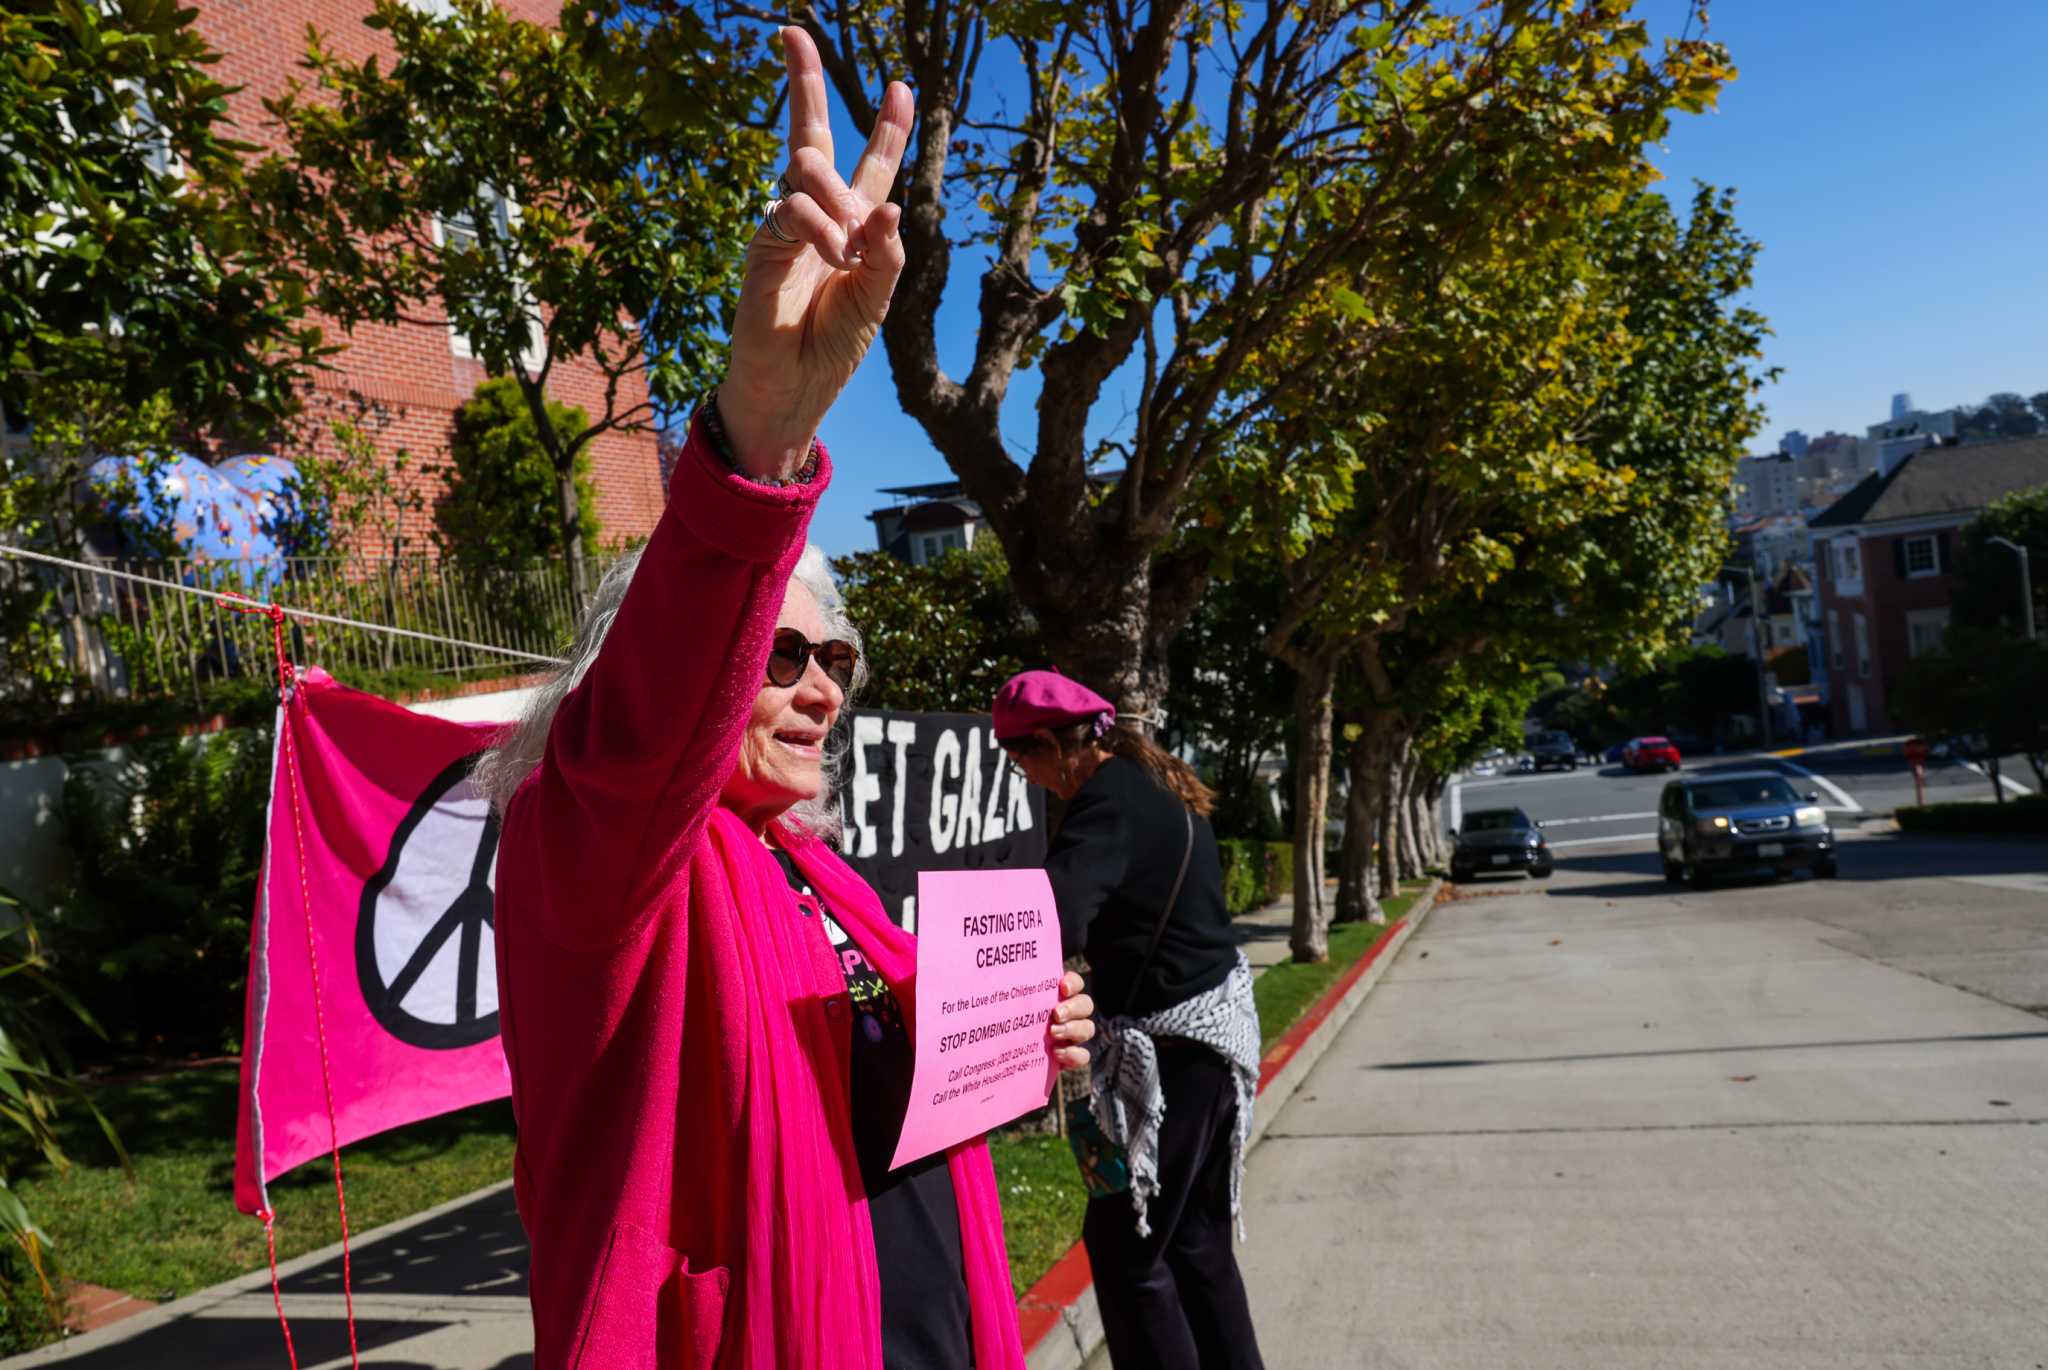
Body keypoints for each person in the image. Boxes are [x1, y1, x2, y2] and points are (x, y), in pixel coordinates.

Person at [477, 30, 1094, 1370]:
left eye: (842, 660)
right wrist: (763, 428)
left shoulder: (820, 874)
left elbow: (905, 1087)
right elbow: (656, 719)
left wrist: (1017, 1036)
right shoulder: (602, 850)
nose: (822, 685)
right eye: (783, 653)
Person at [993, 672, 1266, 1370]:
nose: (1027, 776)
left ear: (1054, 744)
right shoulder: (1156, 782)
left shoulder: (1106, 797)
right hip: (1217, 1036)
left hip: (1176, 1052)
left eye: (1022, 760)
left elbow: (1051, 916)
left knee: (1127, 1253)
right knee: (1196, 1243)